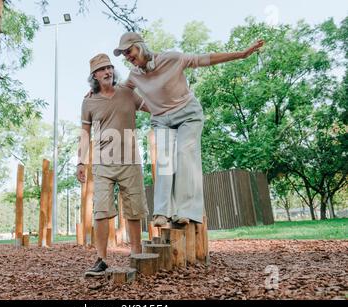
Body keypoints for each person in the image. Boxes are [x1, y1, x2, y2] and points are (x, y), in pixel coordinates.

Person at [113, 32, 264, 227]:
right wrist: (98, 89)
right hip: (161, 120)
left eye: (129, 51)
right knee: (164, 162)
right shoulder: (134, 75)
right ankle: (162, 213)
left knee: (185, 154)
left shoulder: (171, 58)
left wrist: (241, 54)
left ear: (140, 46)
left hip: (188, 114)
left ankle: (186, 211)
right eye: (124, 54)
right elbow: (121, 91)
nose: (128, 56)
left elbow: (205, 59)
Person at [77, 53, 150, 276]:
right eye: (102, 69)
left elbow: (151, 107)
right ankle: (101, 260)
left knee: (134, 209)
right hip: (103, 162)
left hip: (130, 160)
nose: (108, 71)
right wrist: (81, 161)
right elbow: (85, 133)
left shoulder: (128, 93)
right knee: (101, 211)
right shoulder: (88, 101)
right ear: (95, 76)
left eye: (110, 67)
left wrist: (171, 101)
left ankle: (136, 254)